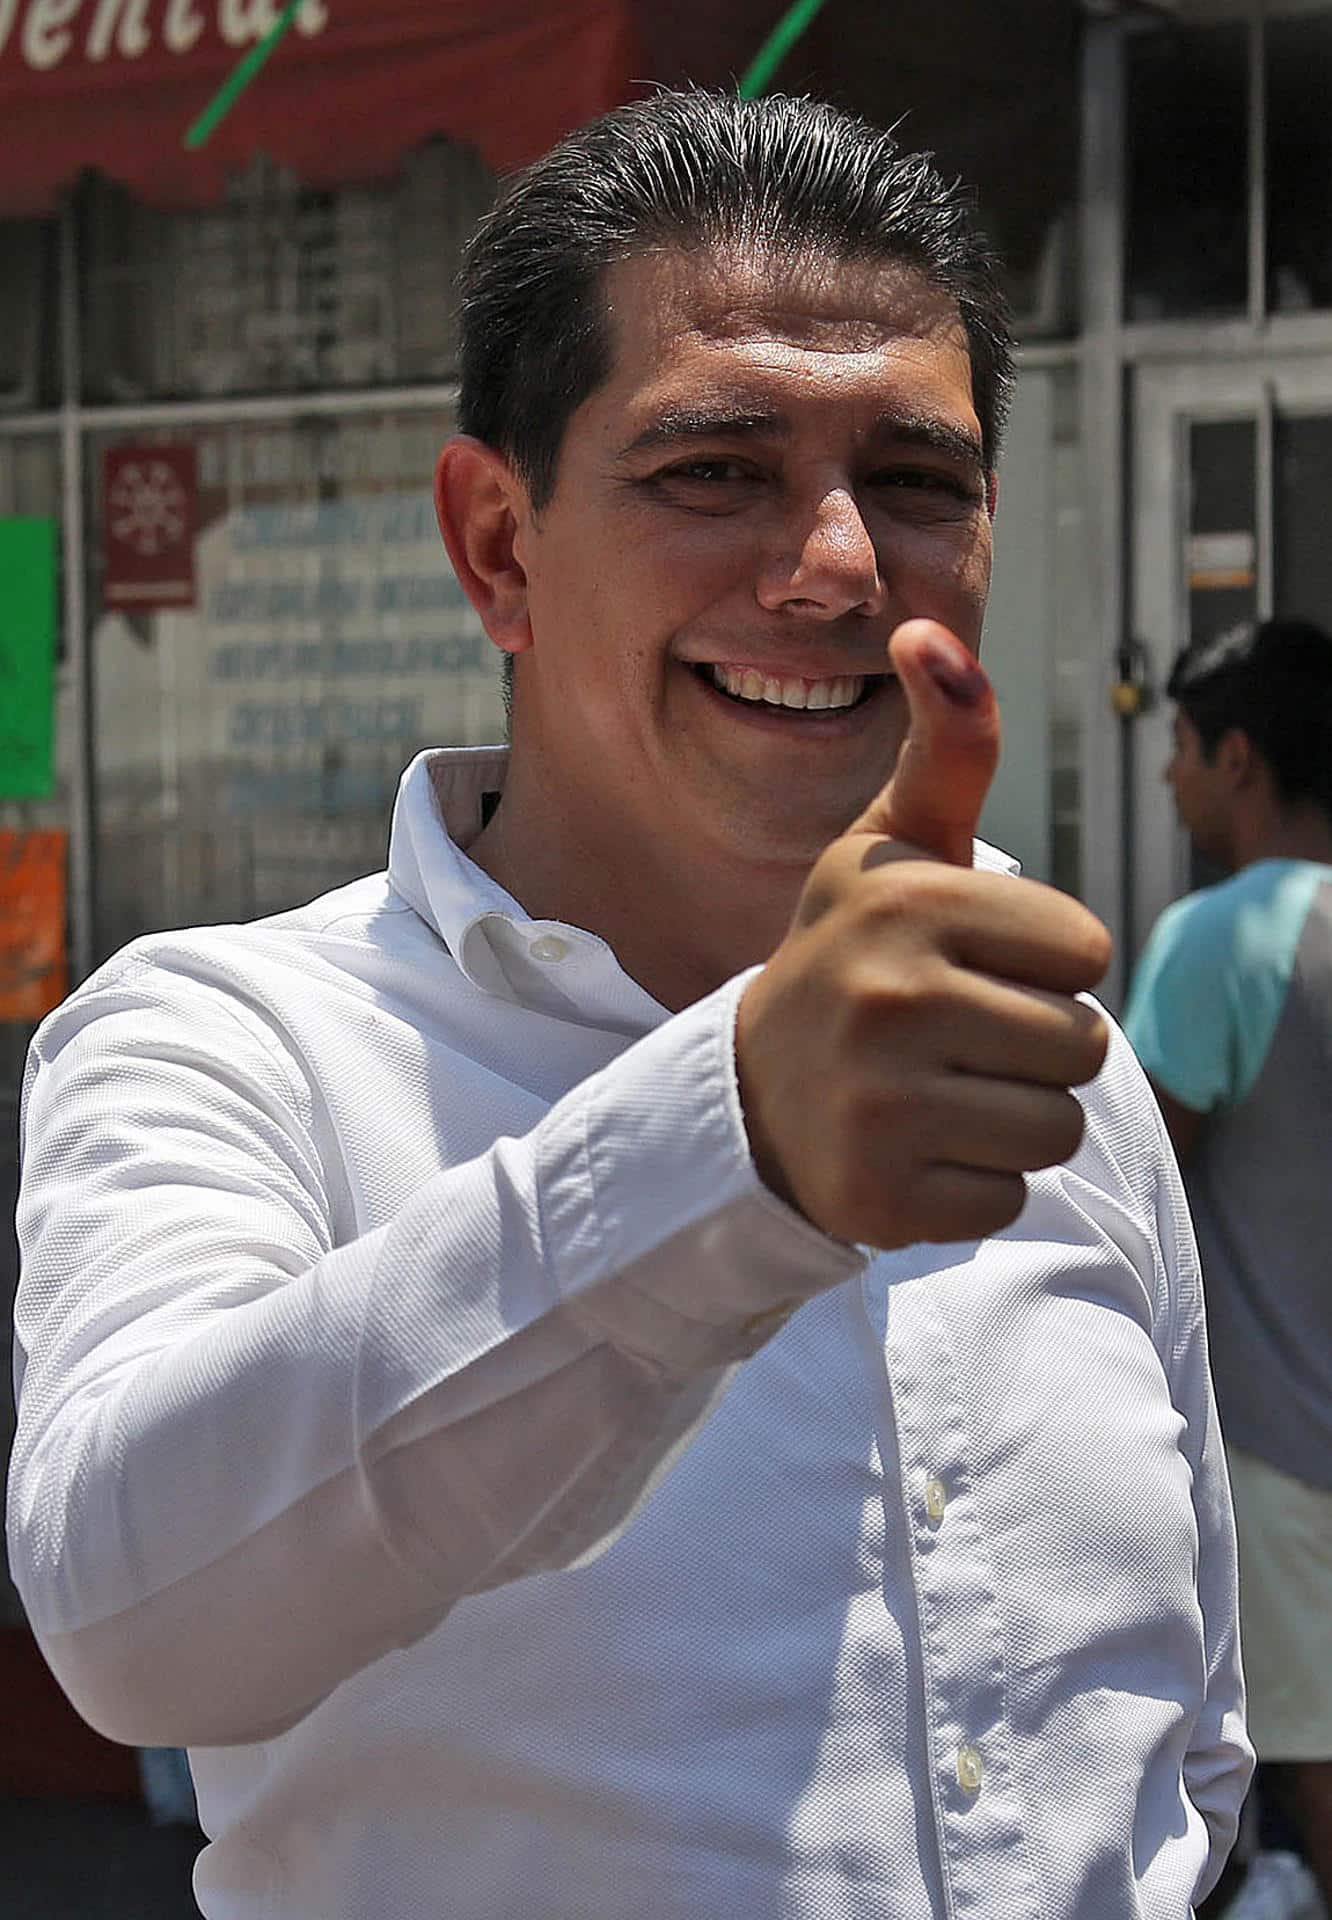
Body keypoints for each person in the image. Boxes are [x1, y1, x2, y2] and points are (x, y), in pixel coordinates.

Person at [7, 89, 1249, 1919]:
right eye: (714, 470)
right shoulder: (230, 1040)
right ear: (498, 546)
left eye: (913, 483)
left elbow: (1175, 1723)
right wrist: (732, 1147)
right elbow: (136, 1617)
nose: (834, 568)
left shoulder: (1041, 1017)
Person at [1124, 617, 1332, 1911]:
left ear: (1239, 758)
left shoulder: (1221, 939)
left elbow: (1132, 1178)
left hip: (1277, 1446)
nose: (1168, 781)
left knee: (1310, 1763)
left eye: (1183, 750)